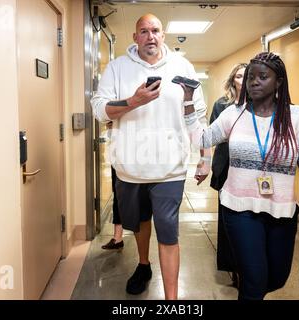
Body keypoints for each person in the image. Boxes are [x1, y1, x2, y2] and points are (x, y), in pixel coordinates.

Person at [183, 52, 299, 300]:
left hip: (282, 210)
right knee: (254, 278)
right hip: (239, 209)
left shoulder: (297, 116)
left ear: (279, 81)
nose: (254, 82)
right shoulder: (234, 114)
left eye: (263, 77)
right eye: (251, 77)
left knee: (277, 277)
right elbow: (203, 139)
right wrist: (188, 103)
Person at [90, 14, 208, 300]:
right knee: (140, 223)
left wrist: (204, 157)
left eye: (155, 30)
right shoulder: (118, 68)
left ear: (163, 35)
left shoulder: (182, 66)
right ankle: (144, 265)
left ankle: (171, 300)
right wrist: (133, 101)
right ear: (135, 37)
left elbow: (197, 115)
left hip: (170, 169)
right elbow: (98, 108)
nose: (150, 36)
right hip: (129, 168)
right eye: (143, 31)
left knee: (168, 232)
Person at [209, 63, 247, 288]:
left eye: (247, 75)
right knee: (227, 218)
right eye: (239, 76)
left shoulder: (261, 104)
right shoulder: (221, 105)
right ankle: (233, 266)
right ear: (233, 80)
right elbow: (212, 135)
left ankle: (247, 263)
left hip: (251, 169)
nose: (243, 80)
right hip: (226, 166)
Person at [101, 121, 124, 250]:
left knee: (140, 199)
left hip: (138, 160)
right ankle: (118, 237)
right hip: (119, 158)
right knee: (118, 196)